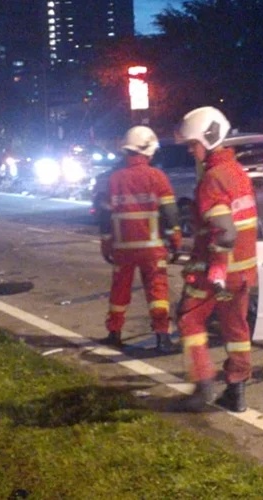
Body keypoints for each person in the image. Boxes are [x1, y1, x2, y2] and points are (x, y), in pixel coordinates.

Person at [173, 107, 258, 413]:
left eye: (192, 144)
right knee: (236, 329)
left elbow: (224, 231)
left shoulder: (213, 179)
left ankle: (202, 386)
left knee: (189, 319)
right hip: (244, 274)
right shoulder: (238, 174)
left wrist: (216, 269)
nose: (190, 150)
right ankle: (236, 393)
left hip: (217, 274)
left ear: (208, 140)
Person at [98, 126, 182, 353]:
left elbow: (104, 213)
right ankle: (162, 338)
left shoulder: (113, 179)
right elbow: (170, 212)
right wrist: (175, 237)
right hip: (151, 247)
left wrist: (106, 241)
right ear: (147, 150)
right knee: (157, 291)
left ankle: (114, 333)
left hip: (123, 248)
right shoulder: (157, 177)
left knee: (119, 290)